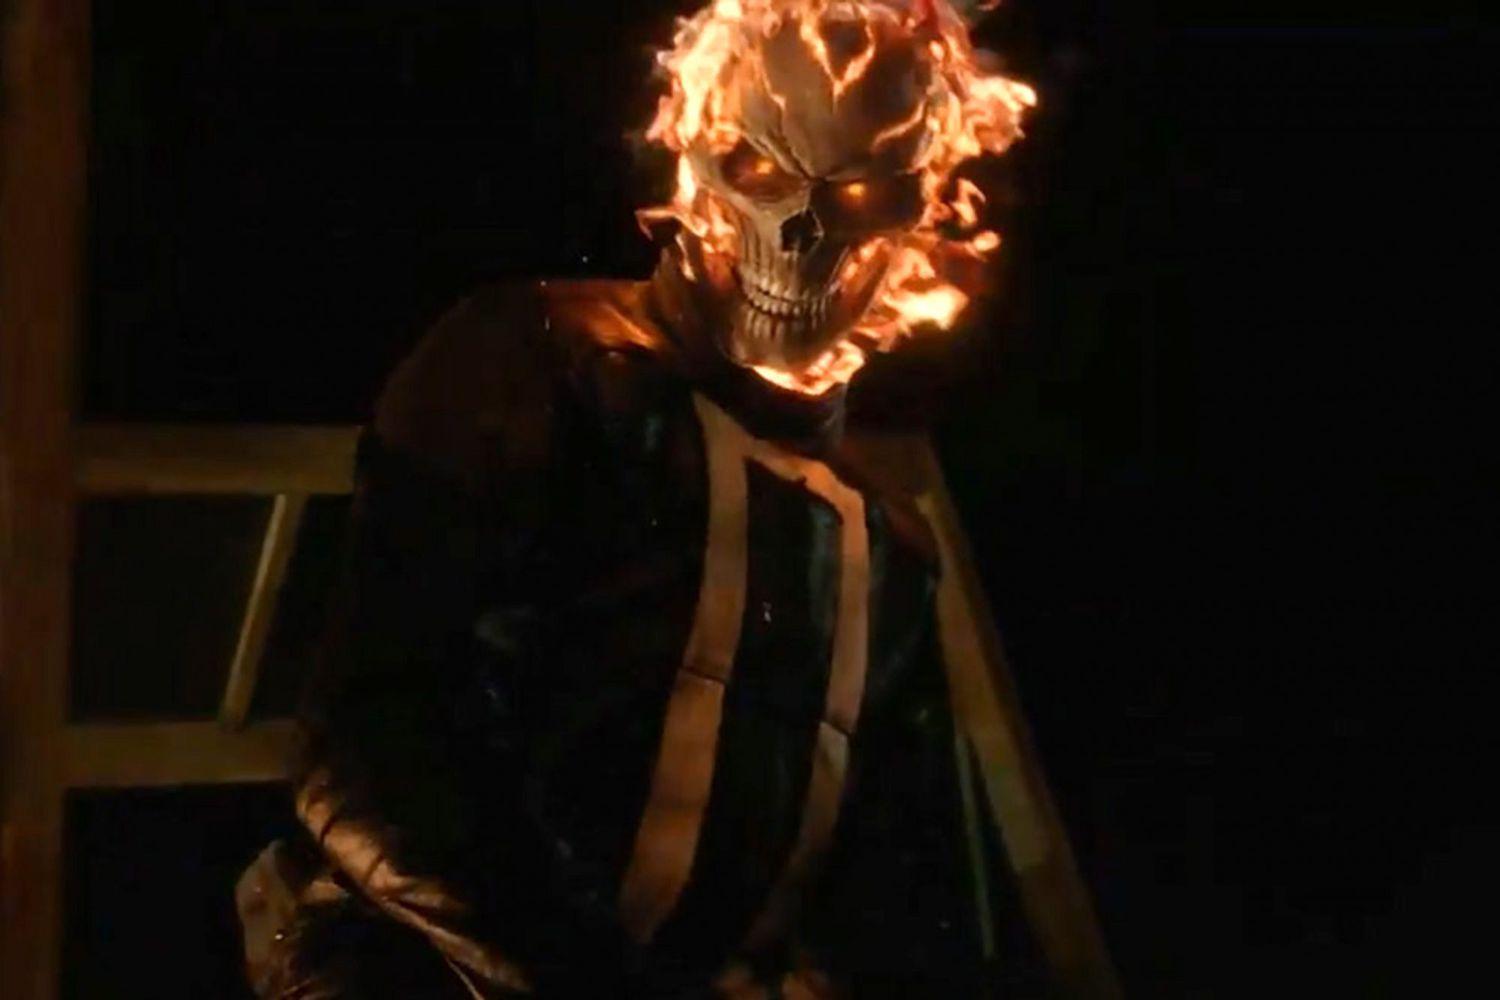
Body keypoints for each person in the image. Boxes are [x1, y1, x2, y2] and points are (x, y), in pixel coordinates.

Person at [236, 2, 1032, 995]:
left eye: (863, 190)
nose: (800, 231)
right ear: (694, 155)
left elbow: (885, 895)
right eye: (759, 166)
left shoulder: (891, 549)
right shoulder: (531, 357)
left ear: (923, 210)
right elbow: (366, 739)